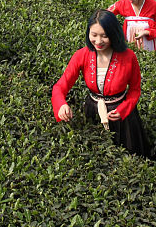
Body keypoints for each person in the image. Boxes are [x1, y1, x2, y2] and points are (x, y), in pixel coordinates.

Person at [51, 10, 148, 155]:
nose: (98, 41)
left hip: (122, 115)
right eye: (94, 35)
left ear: (114, 34)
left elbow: (135, 90)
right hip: (93, 111)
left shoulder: (128, 57)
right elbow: (60, 86)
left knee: (127, 156)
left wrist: (123, 110)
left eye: (104, 36)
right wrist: (61, 105)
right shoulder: (82, 55)